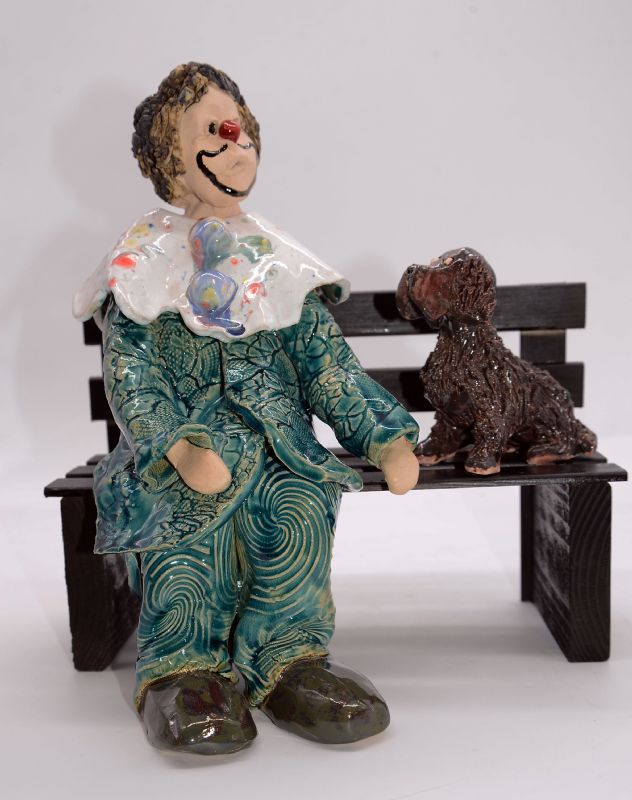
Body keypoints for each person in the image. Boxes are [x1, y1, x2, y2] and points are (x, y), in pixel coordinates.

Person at [74, 62, 420, 755]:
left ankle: (290, 660)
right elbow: (133, 375)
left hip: (277, 447)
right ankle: (185, 670)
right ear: (172, 160)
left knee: (298, 510)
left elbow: (326, 366)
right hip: (186, 454)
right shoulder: (142, 266)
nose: (235, 144)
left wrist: (383, 436)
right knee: (185, 537)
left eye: (240, 130)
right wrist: (174, 445)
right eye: (212, 132)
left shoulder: (278, 261)